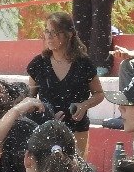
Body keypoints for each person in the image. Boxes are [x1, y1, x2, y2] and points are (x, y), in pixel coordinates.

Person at [26, 12, 104, 158]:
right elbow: (29, 100)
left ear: (69, 34)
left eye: (54, 32)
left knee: (75, 171)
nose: (49, 36)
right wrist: (46, 114)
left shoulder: (83, 64)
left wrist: (84, 105)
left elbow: (99, 94)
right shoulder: (38, 64)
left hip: (77, 129)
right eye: (47, 31)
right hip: (46, 129)